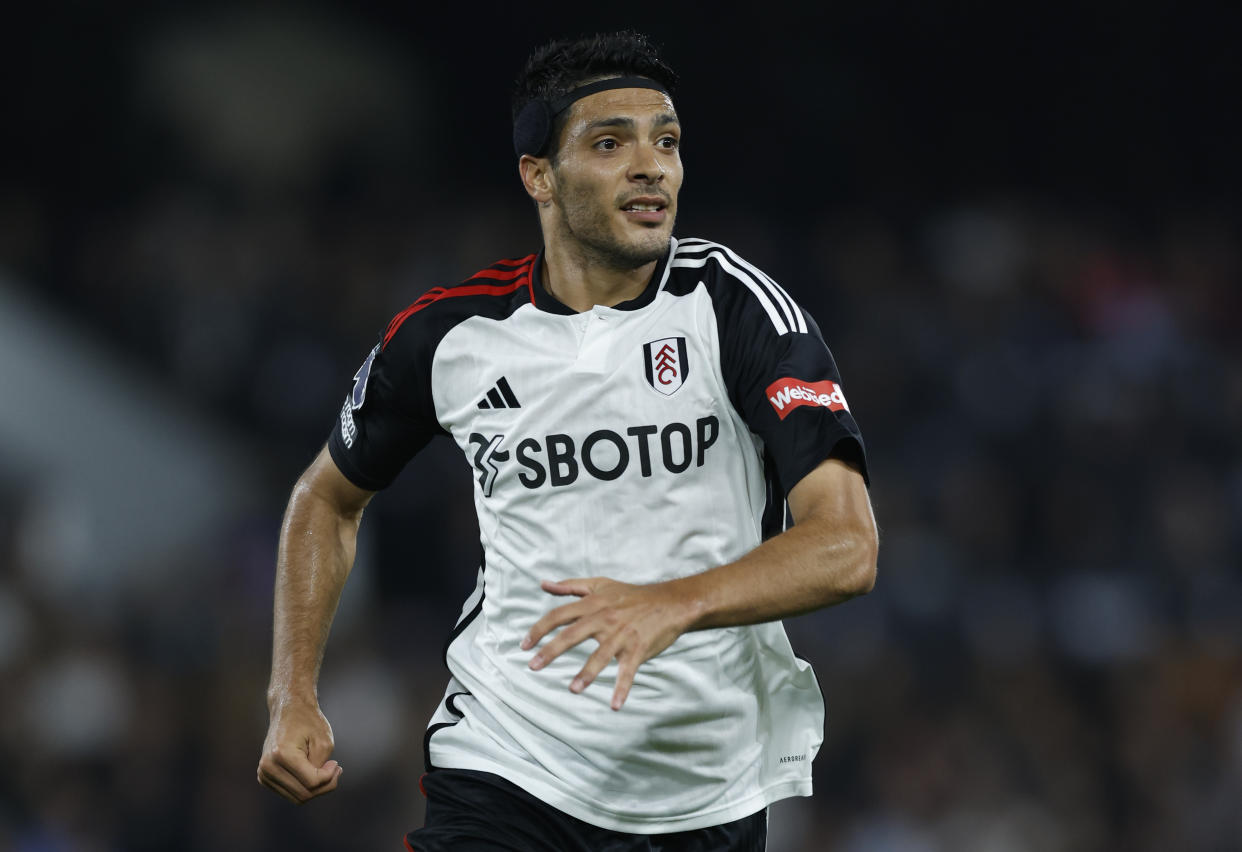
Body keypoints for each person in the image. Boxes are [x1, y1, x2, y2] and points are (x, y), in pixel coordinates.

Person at [257, 30, 878, 851]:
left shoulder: (734, 309)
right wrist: (291, 693)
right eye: (611, 143)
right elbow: (325, 498)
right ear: (539, 176)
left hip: (702, 795)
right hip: (507, 767)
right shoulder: (452, 336)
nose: (651, 165)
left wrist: (672, 601)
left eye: (667, 141)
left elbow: (847, 547)